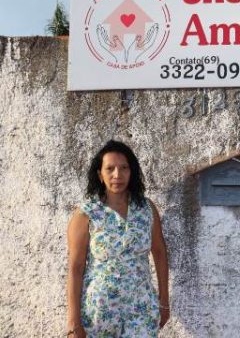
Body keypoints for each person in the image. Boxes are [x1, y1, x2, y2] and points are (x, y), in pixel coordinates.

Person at [66, 140, 170, 337]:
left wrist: (164, 301)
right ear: (100, 174)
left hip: (141, 310)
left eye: (124, 168)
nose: (117, 175)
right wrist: (73, 321)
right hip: (99, 314)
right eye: (110, 168)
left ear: (132, 172)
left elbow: (159, 252)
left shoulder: (146, 209)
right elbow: (75, 268)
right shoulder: (86, 214)